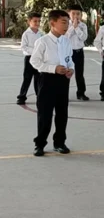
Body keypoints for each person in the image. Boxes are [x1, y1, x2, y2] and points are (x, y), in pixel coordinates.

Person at [30, 9, 75, 157]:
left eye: (68, 23)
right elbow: (34, 61)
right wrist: (53, 68)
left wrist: (71, 69)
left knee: (62, 113)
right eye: (63, 22)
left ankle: (59, 142)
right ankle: (40, 144)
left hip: (63, 80)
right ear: (52, 23)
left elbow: (69, 59)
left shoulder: (66, 41)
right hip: (47, 79)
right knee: (45, 114)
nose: (66, 26)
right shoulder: (42, 41)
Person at [16, 12, 43, 105]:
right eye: (35, 21)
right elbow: (24, 47)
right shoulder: (26, 34)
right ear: (29, 21)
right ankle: (22, 96)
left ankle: (39, 96)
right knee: (27, 78)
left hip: (39, 59)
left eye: (39, 21)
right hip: (29, 59)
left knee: (38, 79)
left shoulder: (41, 34)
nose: (37, 23)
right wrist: (34, 51)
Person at [67, 4, 89, 101]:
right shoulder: (66, 24)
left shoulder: (83, 26)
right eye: (73, 13)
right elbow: (66, 37)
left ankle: (81, 93)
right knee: (67, 73)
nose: (76, 16)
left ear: (81, 15)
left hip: (79, 52)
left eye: (78, 14)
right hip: (68, 52)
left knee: (79, 74)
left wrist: (77, 28)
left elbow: (84, 37)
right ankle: (64, 94)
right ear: (69, 14)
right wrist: (73, 27)